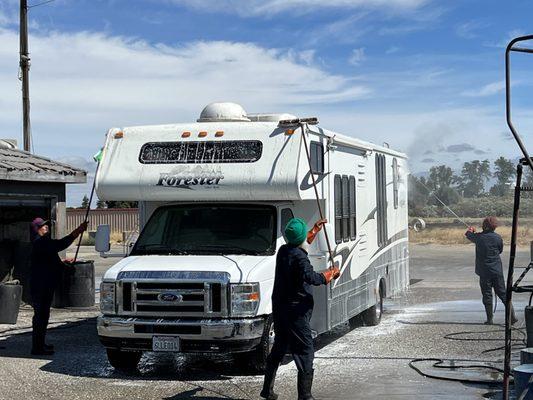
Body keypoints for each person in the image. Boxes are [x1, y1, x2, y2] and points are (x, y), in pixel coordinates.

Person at [260, 218, 340, 400]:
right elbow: (311, 277)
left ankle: (267, 390)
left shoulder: (283, 251)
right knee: (305, 351)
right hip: (296, 313)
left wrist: (313, 231)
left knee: (279, 348)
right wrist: (330, 273)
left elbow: (300, 241)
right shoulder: (300, 258)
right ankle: (305, 396)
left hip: (280, 310)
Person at [30, 217, 88, 355]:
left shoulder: (41, 244)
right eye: (43, 226)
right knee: (41, 316)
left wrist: (62, 262)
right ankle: (37, 348)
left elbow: (48, 260)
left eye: (46, 225)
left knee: (43, 316)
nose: (46, 227)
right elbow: (61, 244)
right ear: (37, 229)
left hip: (43, 285)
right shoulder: (41, 242)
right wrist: (78, 231)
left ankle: (40, 344)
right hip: (41, 286)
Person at [465, 216, 517, 325]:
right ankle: (512, 317)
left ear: (484, 226)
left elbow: (469, 235)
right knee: (503, 294)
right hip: (497, 271)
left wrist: (470, 230)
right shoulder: (498, 237)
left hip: (484, 272)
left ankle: (489, 319)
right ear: (494, 227)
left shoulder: (478, 237)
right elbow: (500, 250)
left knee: (487, 295)